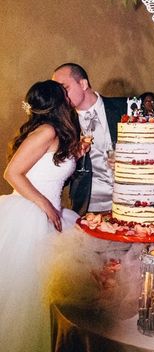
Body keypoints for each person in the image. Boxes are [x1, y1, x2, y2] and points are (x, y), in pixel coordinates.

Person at [0, 80, 83, 352]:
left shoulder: (53, 132)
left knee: (48, 294)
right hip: (31, 216)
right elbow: (12, 174)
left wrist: (77, 153)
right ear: (58, 102)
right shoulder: (46, 131)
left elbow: (48, 168)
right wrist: (45, 205)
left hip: (51, 213)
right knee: (29, 294)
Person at [53, 63, 127, 214]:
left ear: (83, 83)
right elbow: (62, 177)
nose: (60, 96)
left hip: (131, 200)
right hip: (90, 206)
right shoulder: (61, 125)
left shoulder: (124, 107)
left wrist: (129, 159)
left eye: (65, 88)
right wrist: (72, 157)